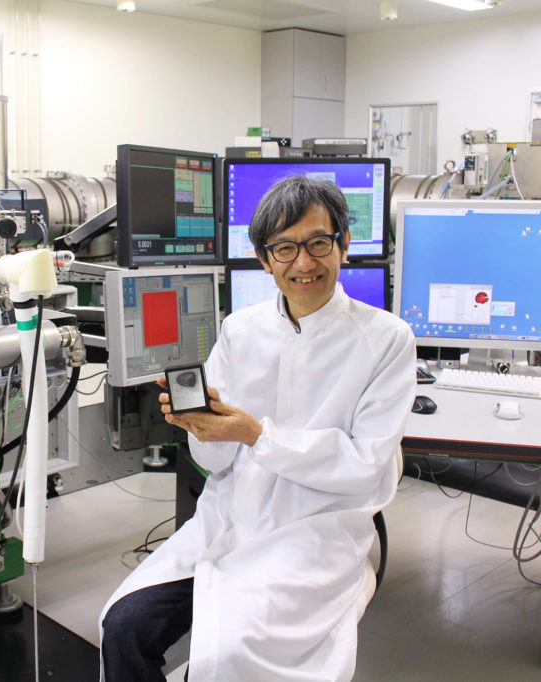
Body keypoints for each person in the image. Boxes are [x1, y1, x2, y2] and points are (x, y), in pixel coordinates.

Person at [99, 175, 416, 681]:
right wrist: (203, 431)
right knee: (123, 627)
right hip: (228, 520)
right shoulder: (239, 329)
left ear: (344, 245)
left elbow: (366, 464)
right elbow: (216, 462)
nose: (304, 263)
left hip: (314, 530)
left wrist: (257, 436)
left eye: (318, 243)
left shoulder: (386, 340)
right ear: (265, 260)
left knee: (230, 656)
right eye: (284, 249)